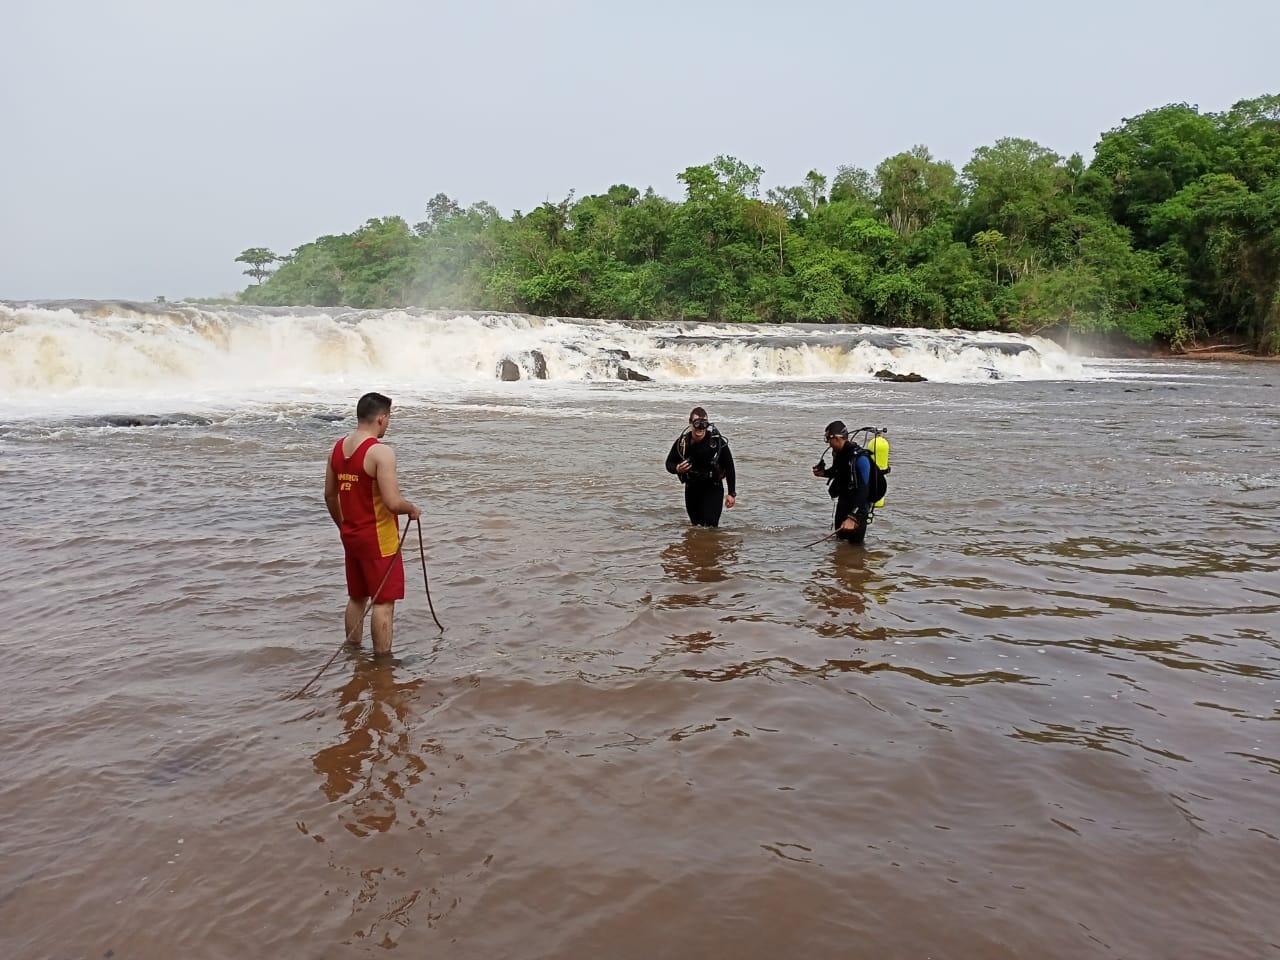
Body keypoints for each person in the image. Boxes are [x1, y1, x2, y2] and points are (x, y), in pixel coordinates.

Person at [324, 392, 421, 656]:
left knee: (357, 597)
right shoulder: (381, 452)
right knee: (383, 603)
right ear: (381, 418)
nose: (388, 424)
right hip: (379, 539)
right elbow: (392, 502)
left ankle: (353, 653)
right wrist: (411, 509)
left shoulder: (338, 447)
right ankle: (382, 664)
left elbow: (330, 495)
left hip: (351, 535)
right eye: (388, 418)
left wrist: (343, 525)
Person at [665, 406, 737, 527]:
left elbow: (730, 467)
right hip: (692, 489)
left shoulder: (717, 442)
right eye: (697, 423)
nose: (700, 428)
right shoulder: (683, 442)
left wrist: (731, 493)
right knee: (696, 527)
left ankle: (713, 546)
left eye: (704, 424)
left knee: (710, 526)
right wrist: (677, 468)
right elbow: (669, 463)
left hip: (713, 488)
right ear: (690, 424)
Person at [811, 419, 873, 545]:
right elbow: (838, 472)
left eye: (829, 439)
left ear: (837, 438)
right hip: (844, 502)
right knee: (840, 545)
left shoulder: (860, 458)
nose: (828, 443)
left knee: (855, 550)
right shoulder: (839, 454)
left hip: (858, 509)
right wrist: (823, 473)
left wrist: (853, 517)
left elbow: (865, 490)